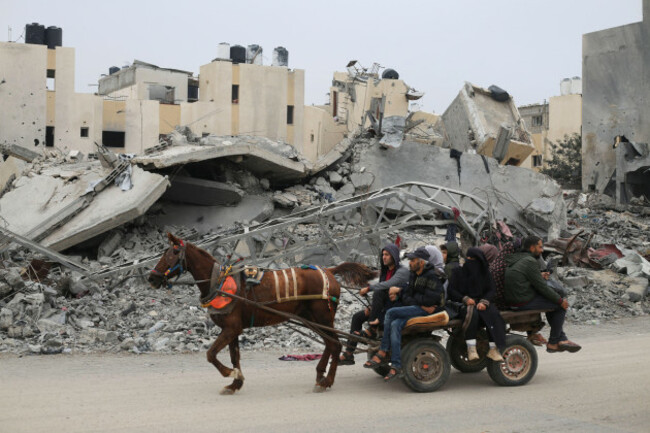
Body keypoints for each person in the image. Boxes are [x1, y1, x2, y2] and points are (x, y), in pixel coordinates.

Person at [363, 247, 446, 381]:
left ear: (422, 262)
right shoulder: (413, 275)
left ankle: (383, 350)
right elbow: (408, 295)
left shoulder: (432, 276)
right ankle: (396, 366)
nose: (410, 263)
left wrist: (415, 300)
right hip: (418, 307)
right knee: (395, 325)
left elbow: (431, 300)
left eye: (413, 260)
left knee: (390, 313)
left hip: (425, 311)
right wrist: (416, 300)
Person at [505, 236, 581, 353]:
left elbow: (525, 277)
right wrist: (560, 301)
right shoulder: (530, 261)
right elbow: (542, 288)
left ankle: (561, 338)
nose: (542, 250)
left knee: (552, 301)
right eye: (540, 247)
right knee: (559, 305)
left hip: (513, 299)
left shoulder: (518, 259)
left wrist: (539, 276)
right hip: (521, 301)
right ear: (532, 247)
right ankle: (554, 341)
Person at [339, 244, 409, 365]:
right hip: (384, 307)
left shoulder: (402, 271)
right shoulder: (385, 271)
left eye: (387, 255)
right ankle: (349, 354)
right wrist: (372, 307)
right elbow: (382, 295)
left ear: (394, 256)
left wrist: (369, 288)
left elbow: (387, 285)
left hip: (397, 306)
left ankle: (372, 329)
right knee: (357, 317)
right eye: (383, 255)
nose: (384, 257)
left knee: (378, 292)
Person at [449, 247, 506, 361]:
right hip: (463, 304)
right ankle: (471, 348)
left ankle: (494, 349)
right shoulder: (458, 272)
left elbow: (491, 290)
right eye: (468, 258)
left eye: (473, 259)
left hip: (481, 301)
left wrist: (484, 302)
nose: (469, 262)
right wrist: (464, 299)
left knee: (494, 314)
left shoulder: (485, 273)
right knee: (472, 314)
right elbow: (451, 290)